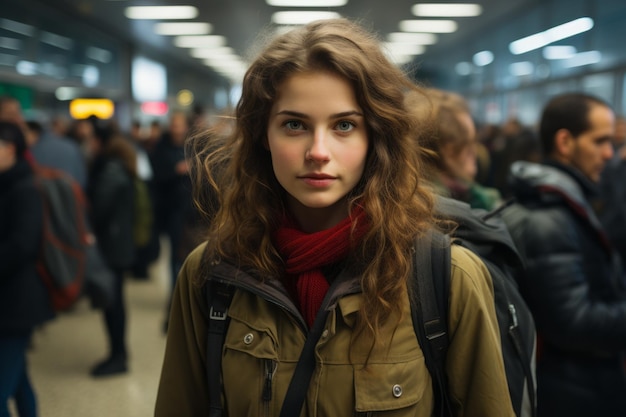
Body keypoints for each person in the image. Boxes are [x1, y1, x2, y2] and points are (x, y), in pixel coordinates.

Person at [156, 18, 514, 417]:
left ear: (375, 138)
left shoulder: (445, 277)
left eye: (344, 125)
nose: (318, 151)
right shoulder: (211, 274)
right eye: (294, 125)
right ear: (263, 134)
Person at [504, 93, 626, 417]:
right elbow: (573, 322)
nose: (609, 153)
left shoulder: (565, 204)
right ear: (565, 142)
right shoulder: (549, 218)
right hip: (570, 393)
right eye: (600, 141)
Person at [0, 121, 55, 417]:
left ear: (10, 149)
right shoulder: (9, 183)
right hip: (8, 302)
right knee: (18, 381)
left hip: (16, 305)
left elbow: (23, 245)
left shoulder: (25, 188)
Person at [85, 120, 136, 377]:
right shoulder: (116, 166)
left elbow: (99, 209)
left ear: (101, 142)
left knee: (113, 303)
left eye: (91, 140)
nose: (88, 145)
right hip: (117, 243)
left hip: (112, 245)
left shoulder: (110, 170)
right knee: (114, 301)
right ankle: (118, 354)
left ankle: (118, 356)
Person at [406, 87, 502, 210]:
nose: (474, 151)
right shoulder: (452, 208)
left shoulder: (408, 196)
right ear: (447, 149)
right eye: (467, 142)